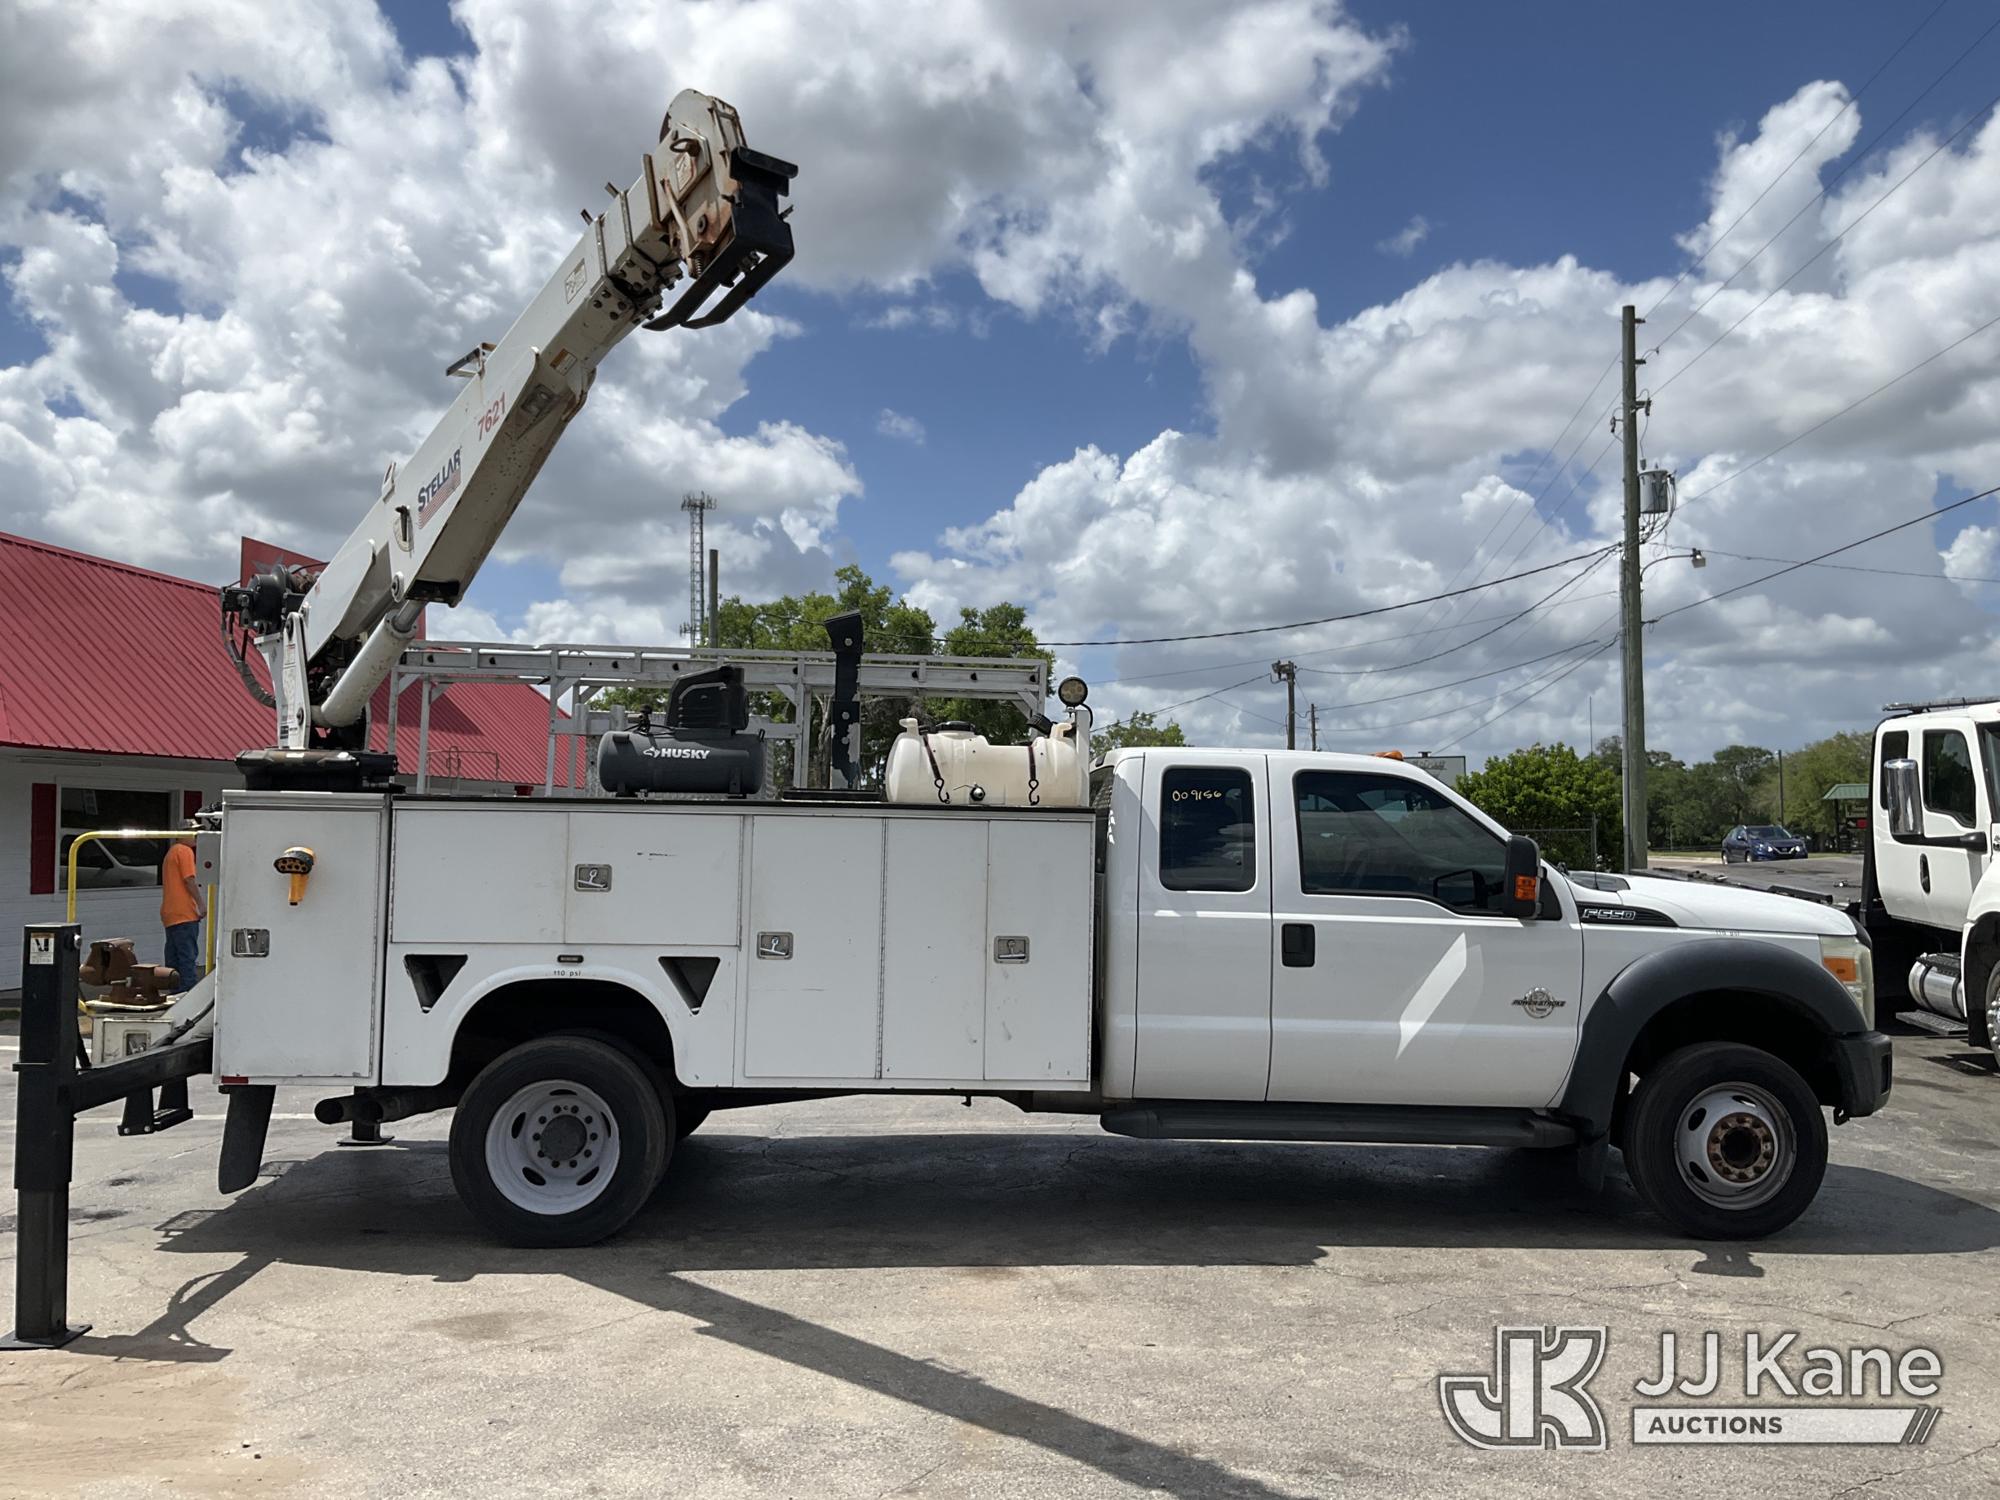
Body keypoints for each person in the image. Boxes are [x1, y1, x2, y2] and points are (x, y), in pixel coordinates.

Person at [160, 831, 204, 993]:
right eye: (193, 833)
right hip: (185, 913)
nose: (196, 836)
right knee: (187, 957)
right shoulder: (185, 851)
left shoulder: (171, 853)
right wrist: (201, 904)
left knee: (173, 957)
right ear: (181, 835)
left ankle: (174, 992)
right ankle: (188, 994)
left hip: (170, 913)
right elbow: (188, 879)